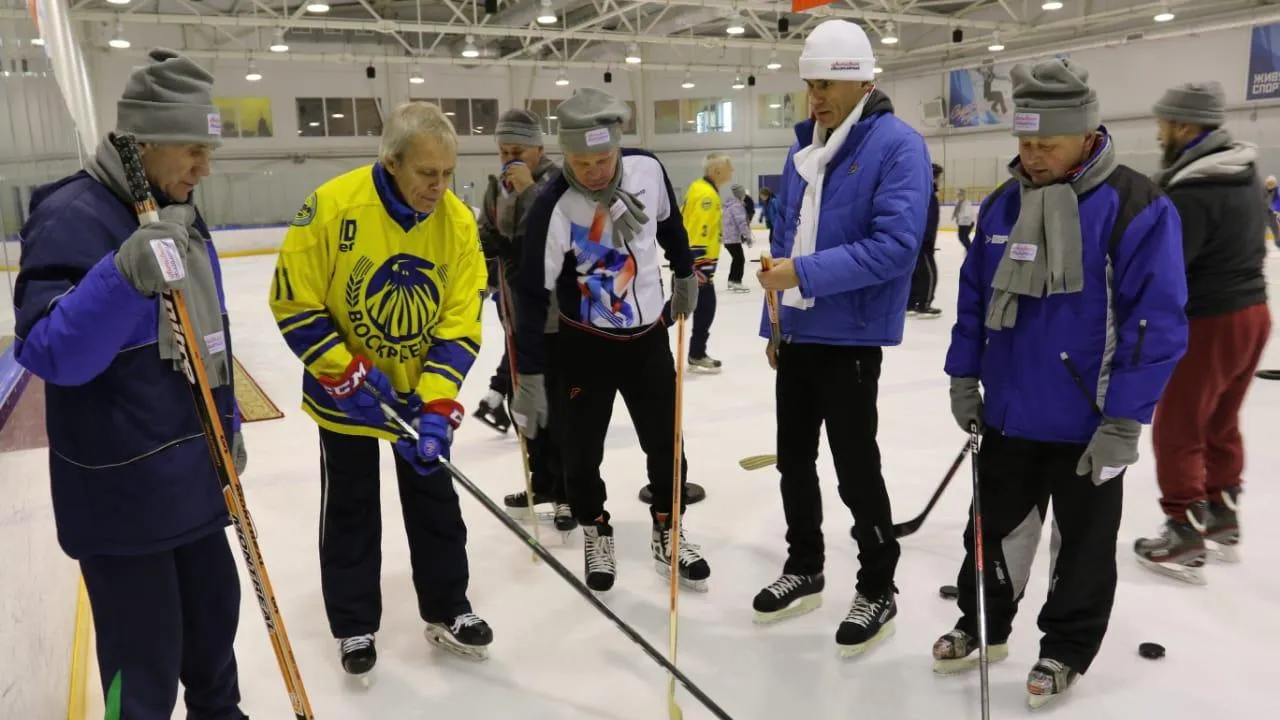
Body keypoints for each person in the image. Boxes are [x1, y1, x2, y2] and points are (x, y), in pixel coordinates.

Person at [941, 59, 1188, 707]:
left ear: (1086, 134)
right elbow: (973, 302)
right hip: (1010, 416)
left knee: (1080, 548)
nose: (1033, 155)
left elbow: (1153, 325)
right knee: (992, 532)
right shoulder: (1002, 203)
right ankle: (981, 624)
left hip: (1090, 423)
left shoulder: (1135, 205)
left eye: (1046, 143)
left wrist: (1125, 419)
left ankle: (1065, 649)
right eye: (1024, 143)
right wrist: (964, 375)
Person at [11, 49, 248, 719]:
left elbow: (210, 345)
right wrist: (122, 277)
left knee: (213, 651)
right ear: (144, 142)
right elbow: (53, 353)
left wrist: (227, 431)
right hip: (124, 504)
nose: (205, 166)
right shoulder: (71, 216)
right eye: (192, 149)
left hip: (197, 485)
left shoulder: (180, 210)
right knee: (141, 678)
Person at [269, 101, 493, 672]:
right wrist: (346, 372)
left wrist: (439, 405)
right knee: (350, 507)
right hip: (345, 393)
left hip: (417, 397)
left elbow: (461, 321)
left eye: (448, 174)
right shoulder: (330, 206)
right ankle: (353, 624)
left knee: (436, 500)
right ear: (392, 161)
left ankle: (448, 606)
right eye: (427, 174)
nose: (439, 188)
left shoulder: (459, 223)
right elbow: (294, 300)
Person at [751, 19, 932, 658]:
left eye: (825, 84)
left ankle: (877, 586)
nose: (815, 97)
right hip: (798, 331)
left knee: (857, 470)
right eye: (809, 85)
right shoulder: (806, 147)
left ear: (860, 80)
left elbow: (894, 248)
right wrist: (774, 320)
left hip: (850, 337)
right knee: (793, 461)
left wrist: (800, 274)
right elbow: (783, 236)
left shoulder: (896, 146)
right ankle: (805, 564)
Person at [510, 88, 711, 594]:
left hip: (648, 339)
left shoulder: (647, 169)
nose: (595, 171)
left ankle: (669, 526)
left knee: (666, 441)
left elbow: (669, 224)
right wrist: (530, 375)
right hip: (586, 344)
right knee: (580, 451)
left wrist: (684, 273)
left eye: (604, 159)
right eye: (582, 161)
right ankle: (596, 527)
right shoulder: (553, 206)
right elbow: (531, 294)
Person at [1133, 82, 1271, 584]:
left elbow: (1168, 270)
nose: (1159, 132)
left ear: (1186, 127)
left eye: (1165, 124)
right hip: (1253, 313)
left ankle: (1184, 532)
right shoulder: (1244, 173)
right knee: (1221, 419)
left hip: (1209, 319)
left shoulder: (1193, 190)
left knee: (1179, 425)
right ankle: (1222, 514)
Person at [469, 109, 577, 534]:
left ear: (539, 148)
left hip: (557, 318)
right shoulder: (498, 187)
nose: (508, 158)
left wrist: (529, 192)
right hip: (515, 314)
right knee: (527, 408)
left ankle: (569, 491)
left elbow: (560, 231)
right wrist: (489, 243)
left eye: (517, 151)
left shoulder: (559, 182)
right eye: (502, 151)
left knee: (559, 408)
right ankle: (542, 484)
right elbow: (486, 233)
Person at [682, 151, 734, 373]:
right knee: (696, 307)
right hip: (699, 264)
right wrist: (702, 268)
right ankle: (695, 353)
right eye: (729, 167)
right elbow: (700, 231)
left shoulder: (699, 187)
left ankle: (696, 353)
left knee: (697, 307)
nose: (732, 171)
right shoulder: (707, 196)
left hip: (695, 262)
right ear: (717, 170)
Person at [908, 163, 943, 318]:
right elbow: (929, 220)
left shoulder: (917, 192)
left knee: (915, 272)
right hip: (922, 242)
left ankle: (911, 303)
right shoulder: (928, 196)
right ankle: (923, 304)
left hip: (916, 240)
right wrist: (926, 239)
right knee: (927, 272)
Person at [723, 184, 753, 293]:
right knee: (740, 259)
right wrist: (747, 236)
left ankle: (732, 280)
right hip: (732, 238)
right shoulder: (737, 206)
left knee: (737, 259)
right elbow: (741, 222)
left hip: (728, 238)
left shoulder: (730, 205)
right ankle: (736, 281)